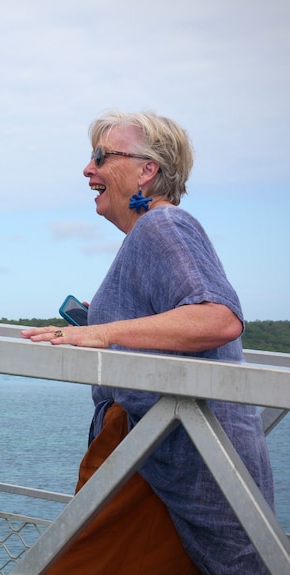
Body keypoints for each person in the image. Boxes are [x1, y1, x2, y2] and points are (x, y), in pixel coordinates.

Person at [22, 111, 274, 574]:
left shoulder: (163, 226)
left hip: (166, 459)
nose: (87, 169)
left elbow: (217, 319)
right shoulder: (148, 235)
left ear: (147, 170)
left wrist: (100, 332)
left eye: (102, 156)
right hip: (161, 456)